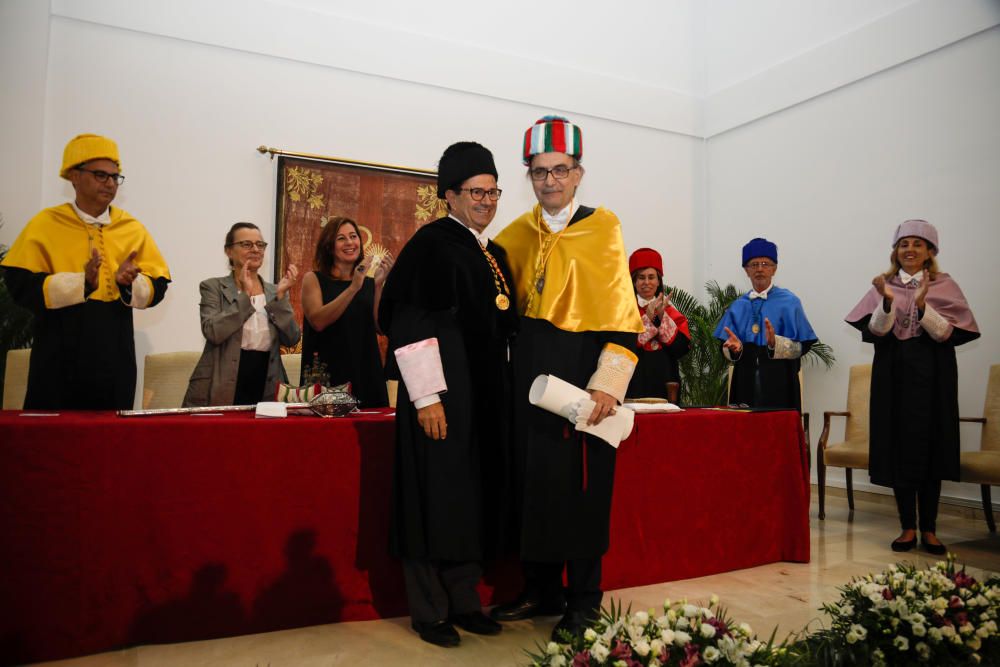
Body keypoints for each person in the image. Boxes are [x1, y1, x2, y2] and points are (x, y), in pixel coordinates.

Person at [492, 116, 643, 640]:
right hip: (527, 382)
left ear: (579, 173)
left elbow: (624, 320)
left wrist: (608, 384)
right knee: (531, 486)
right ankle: (540, 589)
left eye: (560, 170)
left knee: (582, 490)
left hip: (583, 382)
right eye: (539, 172)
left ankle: (583, 601)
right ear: (528, 176)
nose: (549, 181)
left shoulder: (604, 227)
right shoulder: (513, 237)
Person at [377, 142, 518, 647]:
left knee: (469, 498)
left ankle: (464, 599)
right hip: (440, 397)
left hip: (482, 400)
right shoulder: (432, 245)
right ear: (449, 196)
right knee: (432, 496)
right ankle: (428, 609)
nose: (486, 200)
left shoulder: (491, 253)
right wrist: (427, 397)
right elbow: (409, 322)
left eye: (493, 190)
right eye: (476, 191)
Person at [1, 133, 171, 409]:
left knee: (108, 440)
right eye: (101, 175)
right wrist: (82, 283)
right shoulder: (46, 224)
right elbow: (19, 283)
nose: (110, 183)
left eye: (115, 177)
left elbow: (159, 285)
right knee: (53, 439)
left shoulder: (132, 228)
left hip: (114, 349)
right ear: (74, 177)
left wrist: (128, 283)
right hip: (58, 348)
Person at [846, 219, 978, 555]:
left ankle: (930, 530)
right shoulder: (884, 285)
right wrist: (888, 301)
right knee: (899, 447)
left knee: (932, 446)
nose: (910, 250)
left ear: (931, 251)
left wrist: (922, 306)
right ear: (896, 251)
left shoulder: (944, 285)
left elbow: (950, 334)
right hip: (893, 377)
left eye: (918, 244)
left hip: (934, 378)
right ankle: (907, 527)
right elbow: (876, 331)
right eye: (904, 244)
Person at [183, 223, 300, 407]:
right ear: (229, 251)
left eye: (260, 245)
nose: (255, 249)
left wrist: (280, 298)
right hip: (221, 383)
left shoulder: (274, 291)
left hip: (267, 380)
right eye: (247, 244)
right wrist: (245, 296)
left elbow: (292, 338)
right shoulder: (212, 287)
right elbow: (213, 332)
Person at [713, 237, 816, 410]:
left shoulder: (790, 302)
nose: (760, 269)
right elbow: (724, 346)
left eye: (765, 264)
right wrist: (735, 349)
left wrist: (776, 344)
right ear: (746, 270)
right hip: (745, 381)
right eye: (754, 264)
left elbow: (804, 346)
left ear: (774, 269)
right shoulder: (738, 306)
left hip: (780, 380)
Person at [300, 216, 392, 406]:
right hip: (328, 373)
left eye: (353, 236)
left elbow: (379, 327)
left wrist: (379, 284)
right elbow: (318, 321)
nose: (350, 242)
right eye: (341, 238)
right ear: (329, 245)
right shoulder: (313, 279)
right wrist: (353, 288)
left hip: (365, 371)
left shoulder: (367, 283)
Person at [626, 247, 690, 400]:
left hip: (666, 385)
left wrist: (662, 319)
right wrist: (648, 320)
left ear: (658, 280)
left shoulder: (672, 314)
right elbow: (622, 348)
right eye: (641, 277)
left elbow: (681, 349)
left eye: (651, 277)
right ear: (633, 281)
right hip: (633, 384)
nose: (646, 282)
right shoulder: (624, 312)